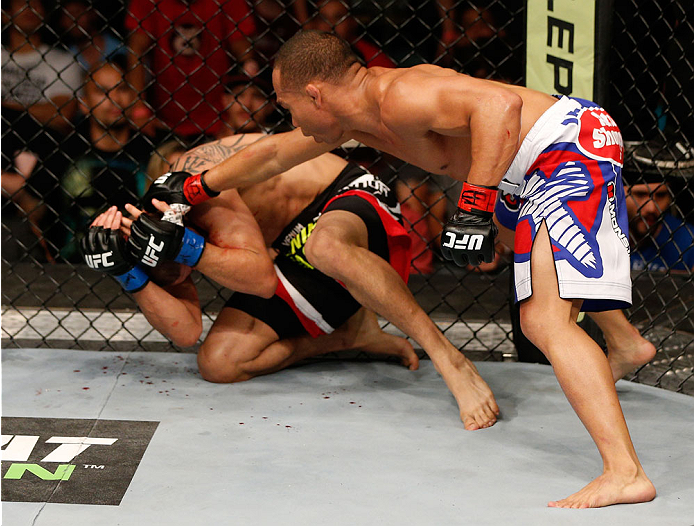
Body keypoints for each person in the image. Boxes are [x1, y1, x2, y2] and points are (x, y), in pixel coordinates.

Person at [148, 31, 657, 509]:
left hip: (562, 149)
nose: (293, 120)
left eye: (290, 106)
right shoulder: (351, 119)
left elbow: (501, 105)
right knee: (526, 246)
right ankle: (625, 342)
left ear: (315, 93)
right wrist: (198, 187)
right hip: (524, 168)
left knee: (543, 321)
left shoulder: (399, 93)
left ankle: (624, 471)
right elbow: (273, 154)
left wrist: (473, 204)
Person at [81, 133, 499, 431]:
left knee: (326, 247)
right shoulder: (153, 238)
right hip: (291, 248)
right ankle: (350, 335)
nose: (186, 283)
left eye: (179, 269)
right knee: (218, 362)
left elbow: (261, 280)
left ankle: (450, 359)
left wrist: (190, 249)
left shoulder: (200, 191)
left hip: (343, 200)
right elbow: (187, 330)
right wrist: (127, 274)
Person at [124, 0, 257, 141]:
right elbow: (136, 51)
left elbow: (245, 56)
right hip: (164, 117)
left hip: (218, 117)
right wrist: (139, 108)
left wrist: (238, 110)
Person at [60, 60, 152, 260]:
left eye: (122, 89)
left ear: (134, 97)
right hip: (70, 264)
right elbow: (33, 209)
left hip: (139, 263)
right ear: (84, 104)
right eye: (103, 92)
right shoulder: (63, 151)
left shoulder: (152, 151)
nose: (115, 99)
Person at [622, 140, 694, 272]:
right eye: (640, 195)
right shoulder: (596, 234)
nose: (651, 208)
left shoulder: (688, 241)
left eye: (660, 196)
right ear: (620, 194)